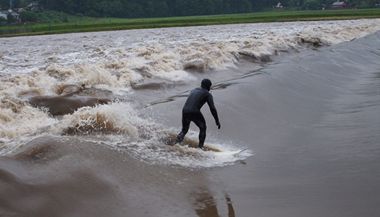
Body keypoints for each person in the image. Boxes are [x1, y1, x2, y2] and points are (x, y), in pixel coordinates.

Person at [176, 79, 221, 149]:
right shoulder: (207, 94)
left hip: (185, 110)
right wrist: (217, 120)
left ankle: (177, 142)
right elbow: (212, 108)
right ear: (208, 86)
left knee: (184, 130)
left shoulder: (194, 90)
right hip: (194, 111)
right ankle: (200, 148)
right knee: (203, 128)